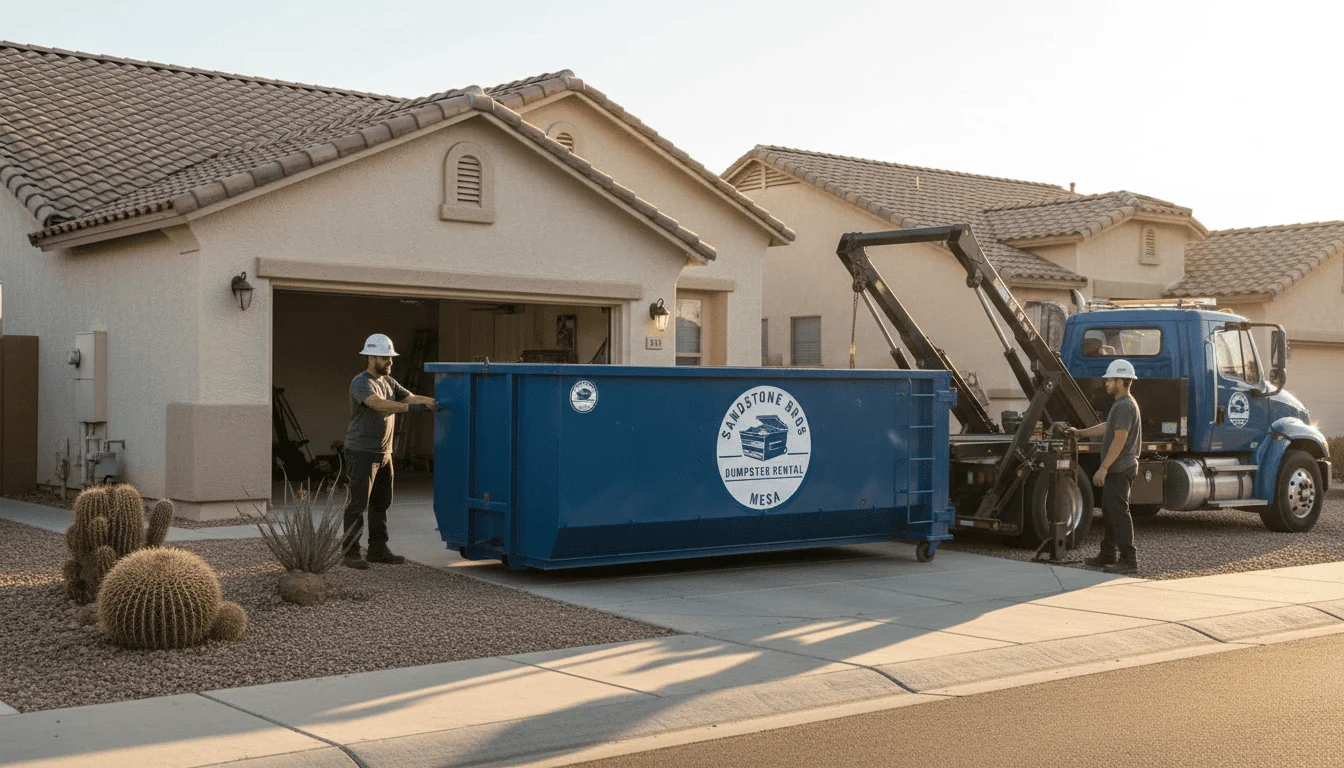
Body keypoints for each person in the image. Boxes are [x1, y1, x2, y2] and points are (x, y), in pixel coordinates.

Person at [341, 333, 440, 569]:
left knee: (381, 503)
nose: (390, 363)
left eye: (391, 359)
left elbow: (412, 396)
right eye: (386, 358)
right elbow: (376, 404)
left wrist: (440, 401)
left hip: (384, 453)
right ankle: (350, 553)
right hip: (361, 452)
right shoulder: (361, 382)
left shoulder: (390, 382)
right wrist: (409, 409)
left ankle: (378, 549)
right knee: (358, 504)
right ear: (372, 357)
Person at [1066, 359, 1142, 574]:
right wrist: (1080, 433)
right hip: (1118, 468)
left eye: (1110, 379)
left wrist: (1104, 468)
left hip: (1120, 468)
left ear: (1122, 381)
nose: (1106, 382)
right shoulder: (1120, 405)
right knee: (1110, 512)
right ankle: (1107, 555)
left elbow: (1120, 438)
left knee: (1119, 513)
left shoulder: (1125, 406)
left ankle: (1129, 560)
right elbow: (1107, 427)